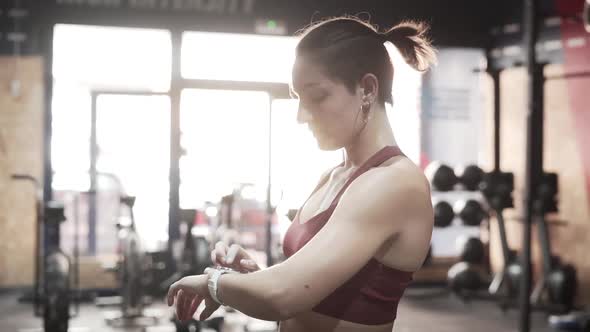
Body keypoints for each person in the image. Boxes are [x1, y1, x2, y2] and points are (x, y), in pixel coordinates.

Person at [167, 15, 436, 332]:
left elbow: (285, 295)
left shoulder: (394, 183)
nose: (301, 116)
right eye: (298, 98)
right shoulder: (333, 177)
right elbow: (307, 291)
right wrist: (254, 279)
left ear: (367, 89)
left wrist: (215, 282)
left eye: (317, 96)